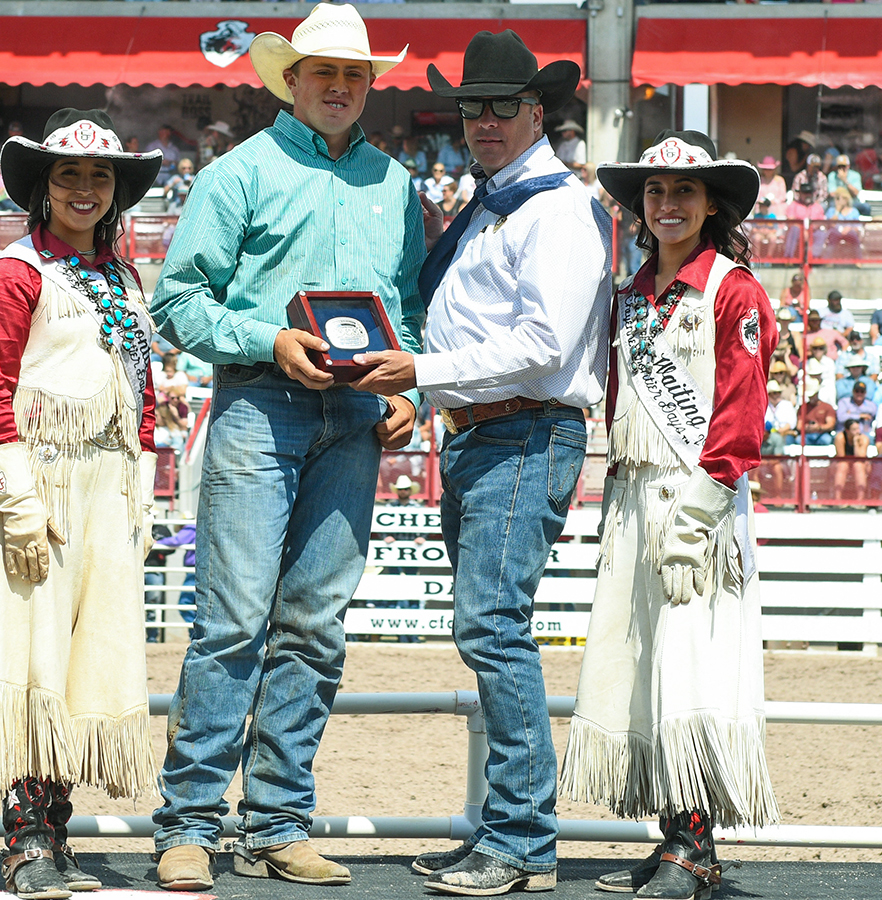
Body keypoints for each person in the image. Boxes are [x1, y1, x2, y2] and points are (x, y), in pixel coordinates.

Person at [146, 6, 422, 892]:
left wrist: (409, 390)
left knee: (313, 627)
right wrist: (272, 342)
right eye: (324, 73)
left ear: (369, 86)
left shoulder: (397, 186)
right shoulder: (238, 175)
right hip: (260, 406)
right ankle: (188, 823)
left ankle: (273, 821)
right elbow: (176, 303)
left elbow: (409, 312)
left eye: (355, 75)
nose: (340, 87)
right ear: (290, 80)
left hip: (353, 419)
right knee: (232, 622)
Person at [347, 30, 605, 895]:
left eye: (500, 106)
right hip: (488, 433)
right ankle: (510, 829)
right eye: (471, 107)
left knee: (492, 628)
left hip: (523, 430)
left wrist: (418, 373)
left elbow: (543, 346)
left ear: (537, 111)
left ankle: (523, 838)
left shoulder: (553, 209)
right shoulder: (506, 201)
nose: (483, 121)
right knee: (492, 628)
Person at [0, 108, 163, 900]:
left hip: (106, 490)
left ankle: (57, 832)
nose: (84, 188)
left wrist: (138, 476)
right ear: (41, 188)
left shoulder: (124, 280)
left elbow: (141, 392)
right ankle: (27, 840)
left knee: (83, 666)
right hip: (40, 488)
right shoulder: (12, 275)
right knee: (32, 658)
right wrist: (18, 506)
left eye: (99, 175)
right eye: (68, 174)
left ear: (115, 191)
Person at [557, 128, 777, 900]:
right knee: (641, 664)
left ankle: (695, 843)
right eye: (655, 192)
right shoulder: (631, 297)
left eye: (683, 191)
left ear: (710, 203)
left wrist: (701, 511)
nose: (668, 204)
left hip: (698, 504)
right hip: (632, 498)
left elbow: (742, 413)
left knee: (692, 667)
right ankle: (676, 841)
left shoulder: (735, 291)